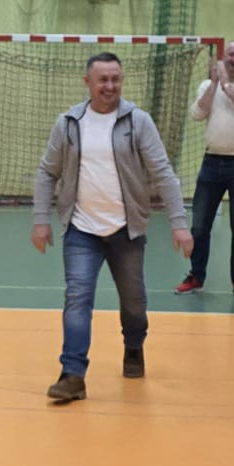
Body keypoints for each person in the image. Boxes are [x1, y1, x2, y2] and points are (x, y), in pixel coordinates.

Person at [34, 53, 193, 405]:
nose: (110, 86)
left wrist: (179, 224)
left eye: (115, 79)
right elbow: (47, 171)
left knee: (133, 303)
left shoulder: (138, 122)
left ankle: (133, 346)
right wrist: (40, 219)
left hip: (127, 231)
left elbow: (163, 173)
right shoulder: (69, 123)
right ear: (87, 82)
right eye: (103, 80)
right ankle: (72, 375)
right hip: (81, 230)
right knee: (77, 298)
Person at [177, 40, 234, 301]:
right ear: (224, 57)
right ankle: (196, 276)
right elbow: (197, 114)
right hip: (212, 163)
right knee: (199, 225)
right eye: (231, 54)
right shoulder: (208, 85)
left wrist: (226, 84)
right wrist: (215, 84)